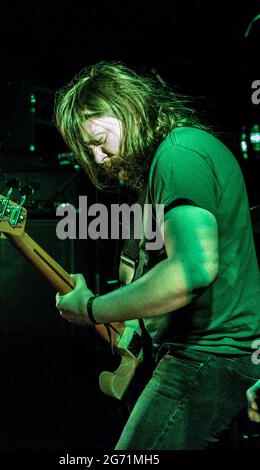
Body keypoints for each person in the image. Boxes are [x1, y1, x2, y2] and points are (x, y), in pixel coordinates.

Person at [54, 62, 260, 450]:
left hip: (207, 358)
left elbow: (192, 270)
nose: (98, 159)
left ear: (128, 108)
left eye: (100, 140)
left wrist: (94, 308)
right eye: (89, 150)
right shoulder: (171, 160)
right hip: (200, 355)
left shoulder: (177, 156)